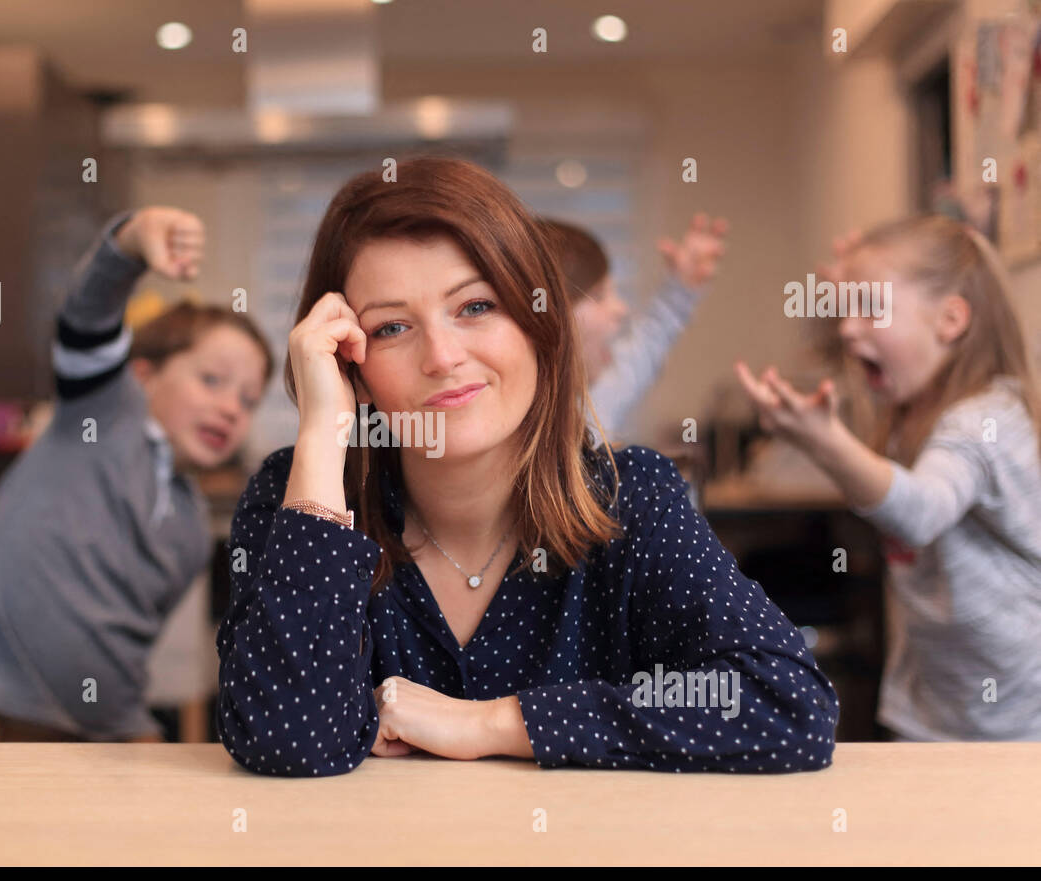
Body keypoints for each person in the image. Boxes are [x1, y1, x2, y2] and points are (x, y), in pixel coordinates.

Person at [216, 157, 838, 776]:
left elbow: (786, 705)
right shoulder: (295, 497)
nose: (442, 356)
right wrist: (325, 428)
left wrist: (494, 723)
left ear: (538, 322)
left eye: (476, 307)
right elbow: (286, 740)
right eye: (392, 327)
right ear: (352, 366)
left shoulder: (632, 494)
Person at [0, 207, 273, 742]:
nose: (232, 408)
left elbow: (130, 646)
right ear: (142, 376)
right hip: (0, 718)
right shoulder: (102, 413)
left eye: (249, 399)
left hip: (107, 729)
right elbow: (87, 314)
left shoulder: (189, 523)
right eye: (212, 380)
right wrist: (130, 244)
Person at [736, 215, 1041, 741]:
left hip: (1013, 721)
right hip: (931, 708)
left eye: (871, 307)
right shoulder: (907, 414)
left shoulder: (985, 421)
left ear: (950, 321)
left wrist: (822, 441)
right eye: (844, 310)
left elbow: (919, 512)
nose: (849, 326)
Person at [540, 214, 728, 441]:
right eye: (599, 295)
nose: (621, 308)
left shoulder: (594, 402)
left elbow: (644, 347)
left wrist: (683, 288)